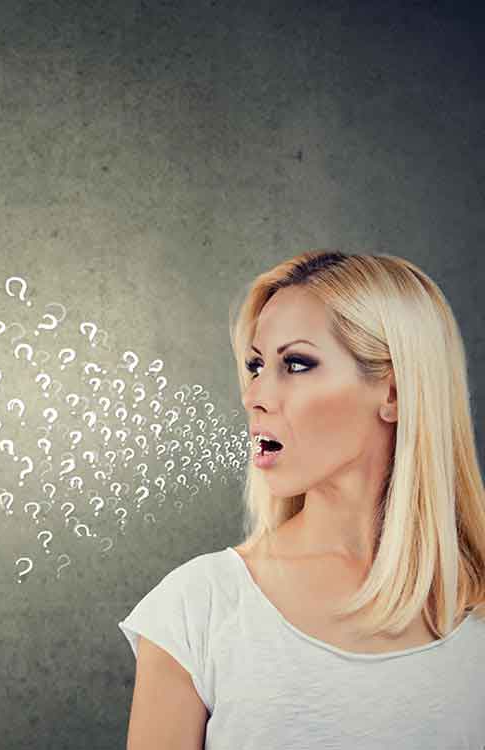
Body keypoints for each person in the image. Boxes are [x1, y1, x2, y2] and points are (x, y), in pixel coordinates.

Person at [119, 251, 485, 749]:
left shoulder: (474, 608)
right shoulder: (199, 608)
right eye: (254, 365)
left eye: (296, 363)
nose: (254, 396)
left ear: (395, 393)